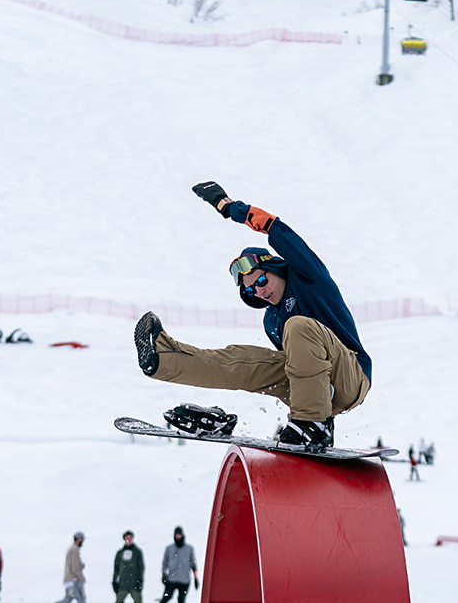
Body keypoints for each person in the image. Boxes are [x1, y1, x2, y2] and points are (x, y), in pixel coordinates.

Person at [132, 182, 371, 450]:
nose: (259, 291)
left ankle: (311, 423)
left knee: (299, 327)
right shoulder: (271, 321)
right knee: (243, 359)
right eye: (250, 290)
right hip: (318, 390)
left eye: (261, 281)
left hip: (351, 375)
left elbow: (275, 227)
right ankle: (165, 358)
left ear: (274, 268)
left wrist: (228, 206)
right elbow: (300, 370)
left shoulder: (308, 278)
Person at [155, 526, 199, 603]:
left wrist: (196, 578)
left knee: (181, 602)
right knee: (165, 599)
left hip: (184, 580)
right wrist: (164, 575)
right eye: (176, 535)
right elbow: (165, 563)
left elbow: (193, 564)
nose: (178, 536)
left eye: (179, 534)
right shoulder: (169, 548)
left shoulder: (189, 549)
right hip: (171, 579)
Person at [107, 531, 147, 603]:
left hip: (134, 584)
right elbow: (116, 569)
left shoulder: (137, 552)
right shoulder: (120, 553)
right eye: (127, 538)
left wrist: (140, 582)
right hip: (123, 584)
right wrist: (114, 582)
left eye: (130, 537)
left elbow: (141, 568)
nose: (128, 539)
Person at [45, 531, 89, 603]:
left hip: (70, 580)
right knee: (80, 598)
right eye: (82, 539)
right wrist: (81, 577)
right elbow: (75, 567)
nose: (83, 541)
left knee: (68, 599)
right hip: (73, 580)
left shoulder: (73, 549)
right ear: (78, 539)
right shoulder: (74, 550)